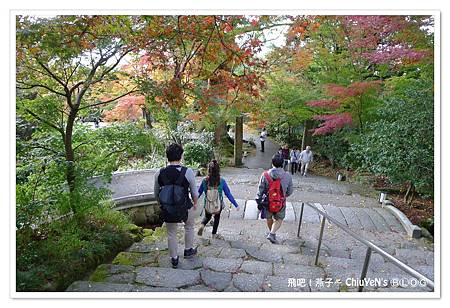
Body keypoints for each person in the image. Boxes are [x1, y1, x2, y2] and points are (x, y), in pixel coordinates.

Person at [154, 144, 198, 269]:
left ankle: (174, 258)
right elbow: (194, 192)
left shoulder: (159, 173)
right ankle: (188, 250)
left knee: (171, 233)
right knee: (189, 226)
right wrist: (195, 203)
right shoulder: (187, 172)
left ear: (167, 157)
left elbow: (156, 193)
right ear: (181, 156)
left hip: (168, 208)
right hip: (185, 206)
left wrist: (162, 204)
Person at [256, 154, 293, 244]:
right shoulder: (287, 176)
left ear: (272, 163)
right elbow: (290, 191)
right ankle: (272, 233)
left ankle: (271, 233)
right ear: (283, 164)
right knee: (279, 219)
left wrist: (258, 200)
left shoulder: (265, 175)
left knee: (269, 218)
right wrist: (283, 195)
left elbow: (260, 190)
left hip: (268, 202)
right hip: (281, 202)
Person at [197, 160, 239, 239]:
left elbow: (198, 193)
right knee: (217, 218)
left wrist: (194, 201)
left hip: (208, 204)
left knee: (207, 217)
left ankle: (202, 225)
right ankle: (214, 234)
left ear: (208, 170)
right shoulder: (221, 181)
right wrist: (235, 204)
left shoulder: (204, 181)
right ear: (218, 170)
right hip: (217, 205)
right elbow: (228, 194)